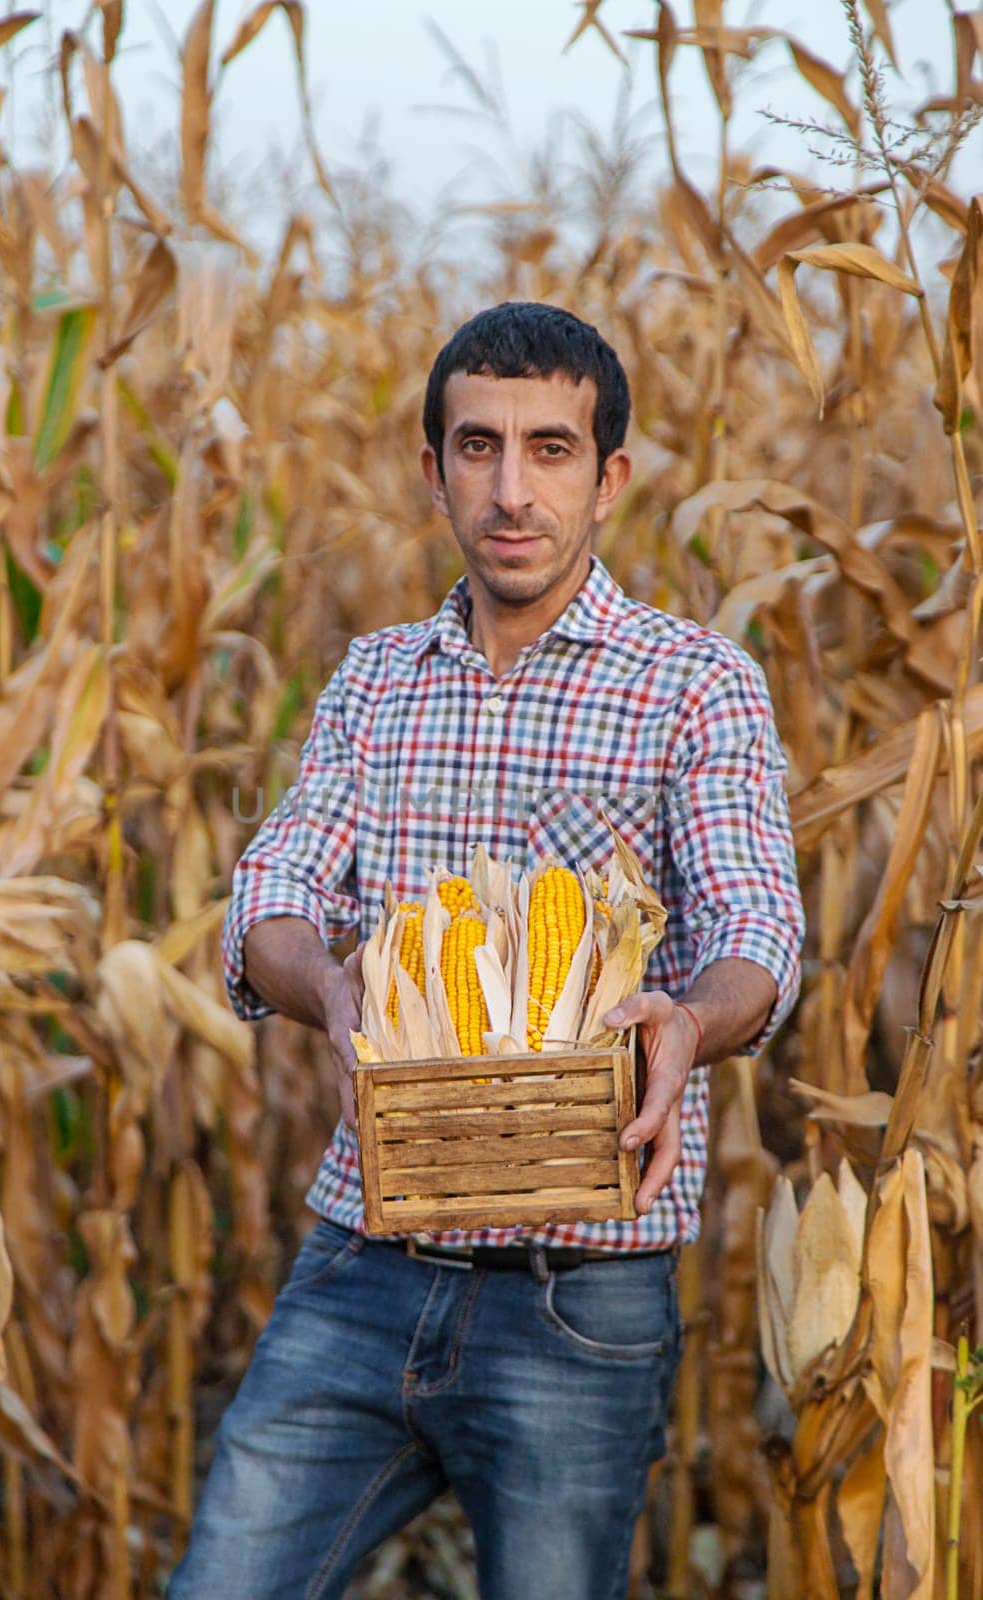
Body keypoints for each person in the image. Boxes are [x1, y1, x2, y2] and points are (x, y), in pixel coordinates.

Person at [168, 302, 804, 1600]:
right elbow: (271, 897)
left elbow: (756, 933)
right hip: (361, 1257)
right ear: (433, 468)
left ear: (610, 477)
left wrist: (686, 1021)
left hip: (581, 1293)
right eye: (477, 447)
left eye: (551, 450)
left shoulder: (693, 684)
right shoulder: (376, 680)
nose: (511, 490)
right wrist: (327, 982)